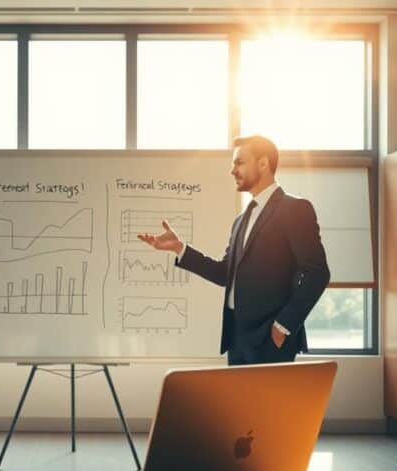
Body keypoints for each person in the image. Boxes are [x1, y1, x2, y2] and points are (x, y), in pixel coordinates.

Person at [137, 135, 330, 365]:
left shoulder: (295, 209)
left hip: (269, 338)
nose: (232, 170)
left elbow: (317, 273)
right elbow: (223, 273)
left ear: (263, 163)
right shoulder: (241, 220)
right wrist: (180, 248)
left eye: (239, 162)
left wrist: (283, 326)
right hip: (237, 337)